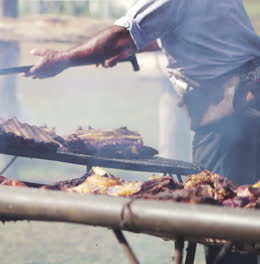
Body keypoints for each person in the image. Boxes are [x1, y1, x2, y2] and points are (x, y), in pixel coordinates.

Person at [24, 0, 259, 263]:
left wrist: (62, 59)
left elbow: (121, 36)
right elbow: (194, 32)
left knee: (224, 225)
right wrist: (137, 46)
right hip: (250, 104)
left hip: (231, 118)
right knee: (249, 219)